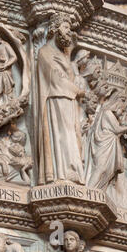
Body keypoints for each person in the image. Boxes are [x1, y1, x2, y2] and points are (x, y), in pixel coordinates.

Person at [36, 13, 85, 185]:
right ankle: (62, 171)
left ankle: (72, 170)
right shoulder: (45, 52)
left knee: (72, 134)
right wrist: (78, 91)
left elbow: (68, 74)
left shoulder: (61, 54)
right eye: (65, 27)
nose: (68, 32)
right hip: (56, 98)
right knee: (63, 135)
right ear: (55, 29)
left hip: (67, 99)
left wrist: (69, 53)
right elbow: (56, 78)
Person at [85, 91, 127, 190]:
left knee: (108, 171)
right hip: (104, 145)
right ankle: (89, 190)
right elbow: (117, 129)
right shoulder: (106, 112)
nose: (122, 105)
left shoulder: (112, 114)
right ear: (116, 100)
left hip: (110, 145)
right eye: (122, 101)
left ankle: (99, 191)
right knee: (101, 168)